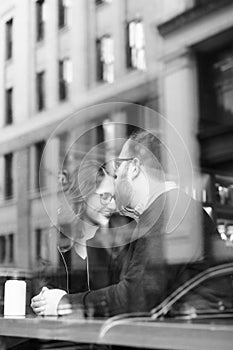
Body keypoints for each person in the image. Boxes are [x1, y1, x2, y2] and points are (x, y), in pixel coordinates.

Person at [31, 161, 116, 317]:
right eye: (104, 196)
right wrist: (41, 300)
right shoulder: (55, 241)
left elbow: (115, 299)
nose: (112, 205)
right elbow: (44, 288)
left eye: (113, 197)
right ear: (84, 195)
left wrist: (65, 302)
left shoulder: (113, 245)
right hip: (64, 337)